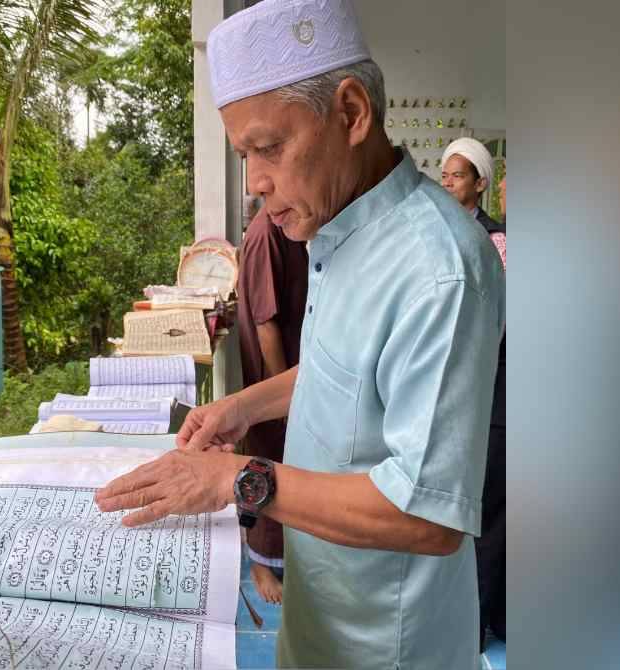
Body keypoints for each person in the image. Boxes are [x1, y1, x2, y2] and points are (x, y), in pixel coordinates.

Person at [95, 1, 505, 667]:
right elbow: (341, 373)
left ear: (351, 114)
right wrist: (239, 407)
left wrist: (239, 480)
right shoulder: (337, 228)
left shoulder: (440, 270)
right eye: (243, 154)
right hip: (322, 619)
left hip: (387, 646)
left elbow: (426, 517)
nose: (256, 183)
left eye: (270, 147)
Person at [442, 140, 507, 650]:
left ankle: (483, 621)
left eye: (457, 176)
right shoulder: (438, 235)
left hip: (494, 394)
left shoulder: (496, 242)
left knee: (488, 510)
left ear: (479, 184)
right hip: (458, 392)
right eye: (443, 174)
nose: (447, 182)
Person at [236, 200, 308, 603]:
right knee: (266, 469)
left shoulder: (290, 225)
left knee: (288, 468)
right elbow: (266, 324)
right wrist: (285, 396)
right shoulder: (266, 234)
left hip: (293, 374)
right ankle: (261, 562)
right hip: (275, 379)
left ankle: (282, 554)